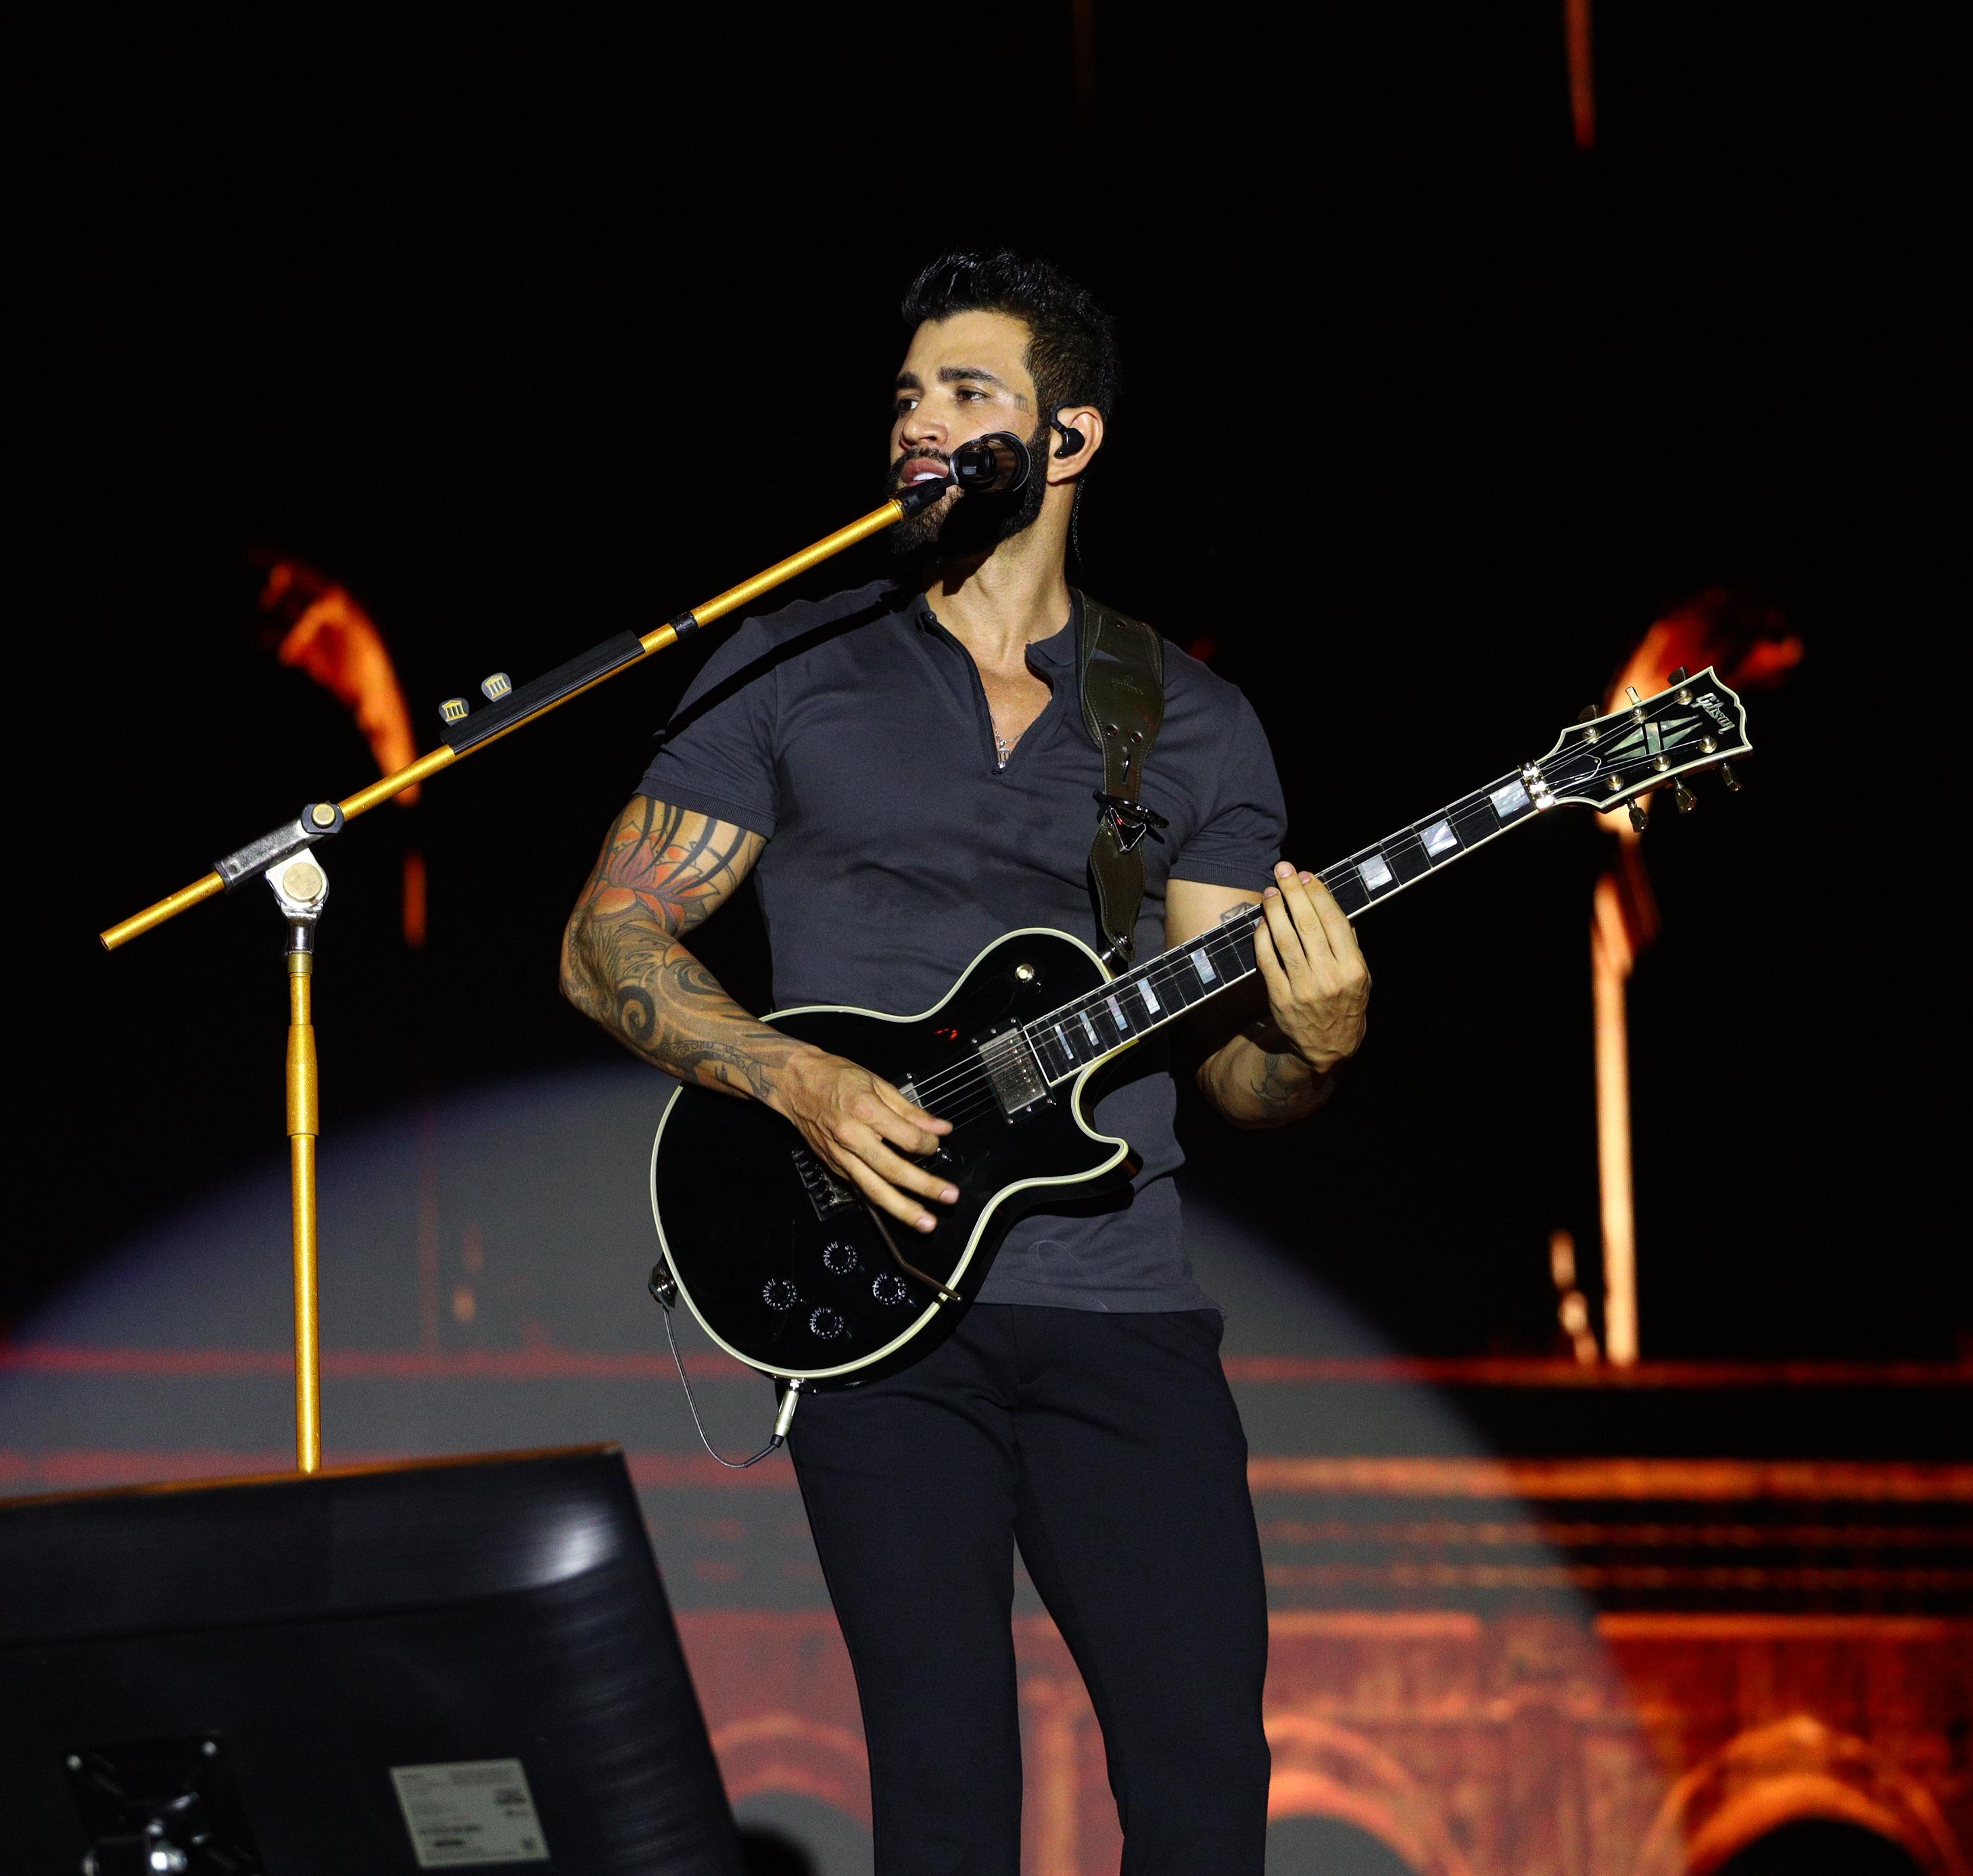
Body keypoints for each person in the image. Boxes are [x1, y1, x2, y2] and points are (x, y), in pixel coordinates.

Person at [559, 250, 1370, 1874]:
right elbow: (608, 941)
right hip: (874, 1306)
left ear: (1069, 436)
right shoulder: (791, 663)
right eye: (906, 395)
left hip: (1122, 1310)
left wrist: (1318, 1034)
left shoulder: (1189, 720)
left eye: (967, 391)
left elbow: (1238, 1080)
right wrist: (793, 1079)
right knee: (944, 1797)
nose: (918, 422)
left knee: (1205, 1784)